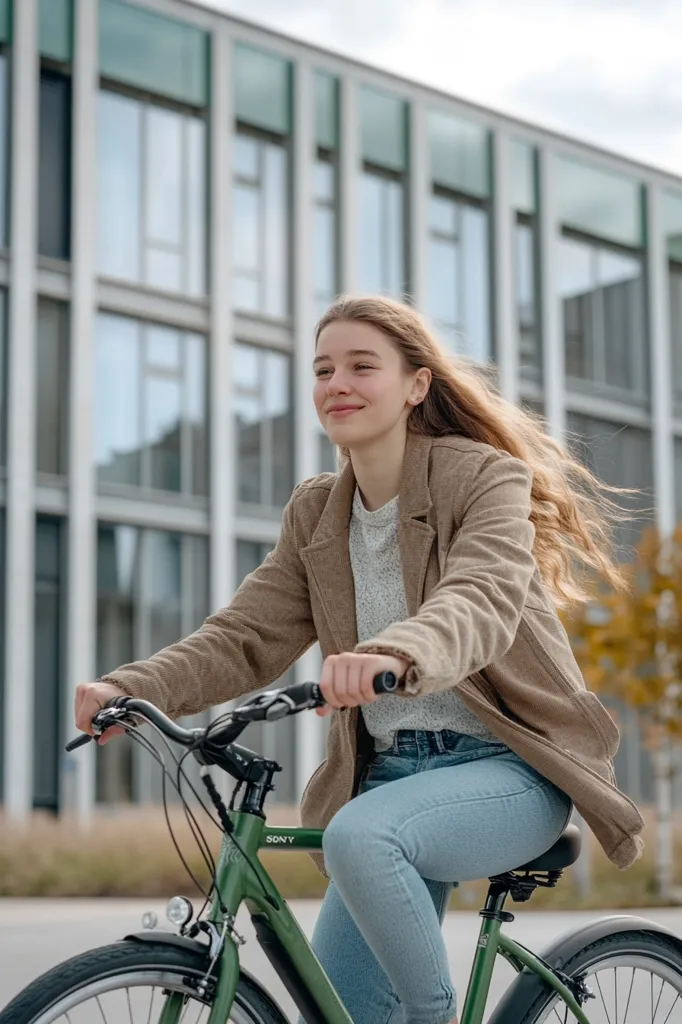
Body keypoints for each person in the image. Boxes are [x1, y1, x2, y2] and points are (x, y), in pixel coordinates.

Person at [75, 295, 644, 1024]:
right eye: (322, 369)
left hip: (510, 770)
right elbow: (246, 633)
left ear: (416, 385)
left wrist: (395, 651)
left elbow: (482, 596)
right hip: (386, 781)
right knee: (345, 1009)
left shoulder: (483, 478)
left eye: (361, 366)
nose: (336, 383)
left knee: (360, 835)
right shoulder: (317, 512)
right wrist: (130, 686)